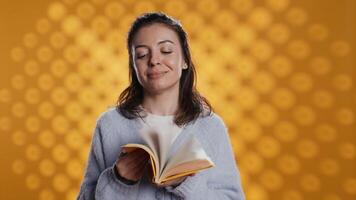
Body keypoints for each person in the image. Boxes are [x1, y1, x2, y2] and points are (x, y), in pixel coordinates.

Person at [76, 12, 245, 200]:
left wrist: (184, 184)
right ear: (133, 66)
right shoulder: (110, 124)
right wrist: (118, 180)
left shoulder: (211, 127)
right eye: (141, 54)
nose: (154, 60)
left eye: (165, 51)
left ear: (185, 60)